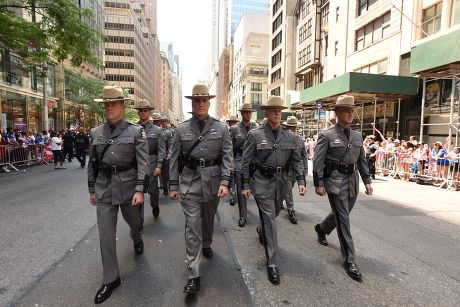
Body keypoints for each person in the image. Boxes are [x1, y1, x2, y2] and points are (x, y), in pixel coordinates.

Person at [169, 84, 233, 294]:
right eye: (197, 100)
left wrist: (225, 183)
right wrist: (173, 185)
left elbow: (227, 158)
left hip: (214, 183)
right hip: (189, 184)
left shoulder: (221, 128)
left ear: (209, 102)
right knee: (192, 227)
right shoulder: (181, 129)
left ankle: (207, 242)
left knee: (208, 219)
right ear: (192, 103)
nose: (201, 104)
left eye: (204, 100)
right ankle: (193, 275)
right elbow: (174, 159)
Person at [87, 85, 149, 304]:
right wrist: (92, 189)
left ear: (123, 106)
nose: (109, 107)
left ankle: (137, 237)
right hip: (104, 187)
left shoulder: (135, 131)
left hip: (129, 187)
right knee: (105, 235)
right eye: (106, 104)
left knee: (135, 223)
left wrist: (140, 189)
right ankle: (111, 279)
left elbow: (143, 163)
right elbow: (92, 164)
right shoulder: (96, 133)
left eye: (113, 104)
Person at [241, 96, 307, 285]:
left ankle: (261, 230)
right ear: (266, 112)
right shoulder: (255, 135)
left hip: (282, 183)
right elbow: (245, 162)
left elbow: (296, 161)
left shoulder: (290, 136)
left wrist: (301, 181)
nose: (278, 112)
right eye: (274, 109)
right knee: (270, 220)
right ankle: (272, 263)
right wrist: (245, 185)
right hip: (262, 182)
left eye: (280, 109)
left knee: (274, 214)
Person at [313, 95, 373, 282]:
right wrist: (319, 183)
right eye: (346, 110)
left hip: (352, 181)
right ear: (337, 112)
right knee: (344, 220)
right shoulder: (327, 135)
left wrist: (367, 181)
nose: (350, 113)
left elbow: (361, 160)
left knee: (342, 214)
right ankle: (349, 260)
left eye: (352, 109)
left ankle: (322, 229)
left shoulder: (357, 136)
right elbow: (318, 161)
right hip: (335, 181)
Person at [134, 101, 165, 222]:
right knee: (138, 190)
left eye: (145, 110)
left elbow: (161, 150)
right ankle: (139, 220)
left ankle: (155, 204)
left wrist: (159, 166)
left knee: (153, 191)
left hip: (152, 164)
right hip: (137, 165)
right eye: (140, 111)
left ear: (149, 112)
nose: (142, 113)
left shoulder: (157, 130)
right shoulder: (132, 128)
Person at [231, 104, 257, 227]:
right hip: (239, 162)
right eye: (245, 112)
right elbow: (230, 148)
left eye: (249, 112)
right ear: (241, 114)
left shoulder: (256, 128)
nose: (247, 114)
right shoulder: (235, 129)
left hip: (253, 163)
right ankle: (243, 215)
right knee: (241, 190)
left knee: (255, 189)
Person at [281, 116, 309, 225]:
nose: (292, 129)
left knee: (288, 188)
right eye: (290, 127)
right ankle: (291, 211)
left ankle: (281, 200)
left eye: (294, 127)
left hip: (297, 171)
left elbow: (304, 156)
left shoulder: (300, 141)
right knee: (288, 190)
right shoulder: (283, 139)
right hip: (287, 170)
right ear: (287, 127)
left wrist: (305, 169)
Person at [226, 114, 241, 207]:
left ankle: (237, 194)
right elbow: (228, 147)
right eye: (232, 122)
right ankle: (232, 196)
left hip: (239, 159)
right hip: (232, 157)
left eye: (235, 122)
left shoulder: (240, 130)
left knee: (237, 179)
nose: (233, 123)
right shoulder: (228, 131)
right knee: (232, 179)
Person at [159, 115, 173, 195]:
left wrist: (170, 154)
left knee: (165, 173)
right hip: (157, 155)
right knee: (160, 173)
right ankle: (162, 185)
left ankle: (165, 186)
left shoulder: (168, 132)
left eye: (164, 121)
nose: (163, 123)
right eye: (162, 121)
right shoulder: (157, 131)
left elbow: (171, 144)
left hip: (165, 154)